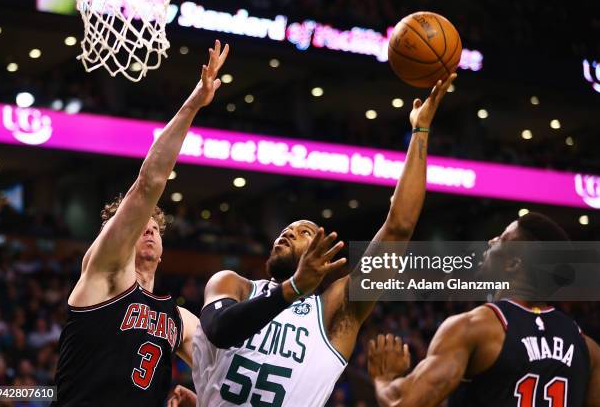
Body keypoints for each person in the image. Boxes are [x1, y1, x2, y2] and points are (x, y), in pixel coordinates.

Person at [189, 74, 457, 406]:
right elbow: (219, 329)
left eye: (304, 232)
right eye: (286, 229)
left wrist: (420, 131)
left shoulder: (335, 313)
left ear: (325, 255)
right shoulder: (234, 284)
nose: (288, 232)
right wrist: (293, 288)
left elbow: (399, 227)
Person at [52, 40, 229, 407]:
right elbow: (150, 182)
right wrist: (195, 102)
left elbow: (229, 375)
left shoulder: (178, 319)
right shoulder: (106, 275)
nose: (148, 229)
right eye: (139, 226)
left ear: (163, 251)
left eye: (156, 228)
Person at [367, 212, 600, 407]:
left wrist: (384, 378)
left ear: (513, 264)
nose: (490, 241)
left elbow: (404, 402)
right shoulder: (588, 349)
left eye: (501, 239)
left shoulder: (476, 327)